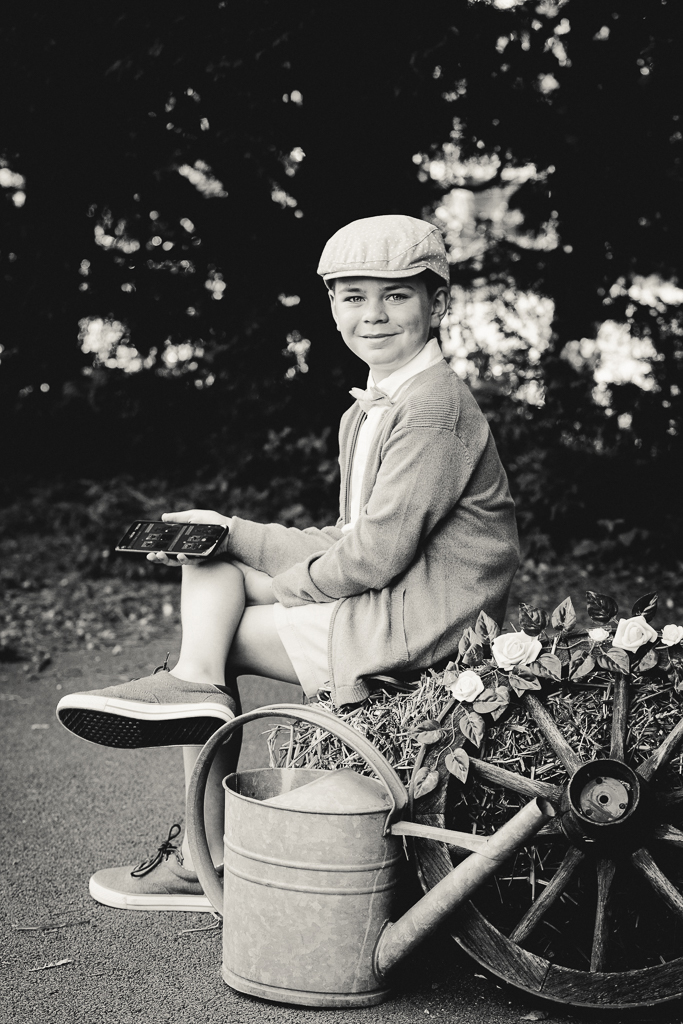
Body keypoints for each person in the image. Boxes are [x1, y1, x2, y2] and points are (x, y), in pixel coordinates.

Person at [57, 214, 520, 912]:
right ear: (331, 306)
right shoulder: (369, 410)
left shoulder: (430, 408)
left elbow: (371, 557)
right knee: (212, 563)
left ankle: (197, 847)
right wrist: (234, 532)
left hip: (423, 620)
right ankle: (195, 699)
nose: (372, 314)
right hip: (390, 594)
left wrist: (282, 587)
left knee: (219, 640)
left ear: (437, 303)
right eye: (352, 296)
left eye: (395, 296)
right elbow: (346, 535)